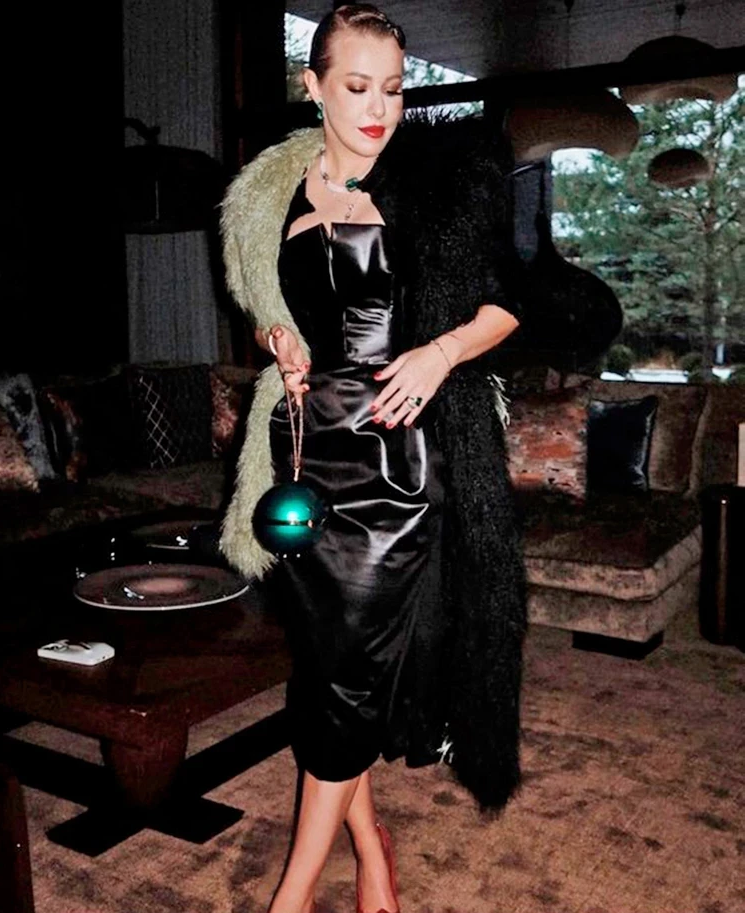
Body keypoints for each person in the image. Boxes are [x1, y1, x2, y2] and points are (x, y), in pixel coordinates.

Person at [220, 6, 527, 912]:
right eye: (356, 87)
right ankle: (370, 843)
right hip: (305, 455)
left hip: (399, 459)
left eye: (393, 89)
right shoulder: (271, 197)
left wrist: (439, 354)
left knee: (349, 669)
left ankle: (289, 897)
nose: (379, 109)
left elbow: (514, 304)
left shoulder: (437, 183)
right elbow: (267, 307)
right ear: (312, 87)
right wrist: (278, 339)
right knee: (328, 664)